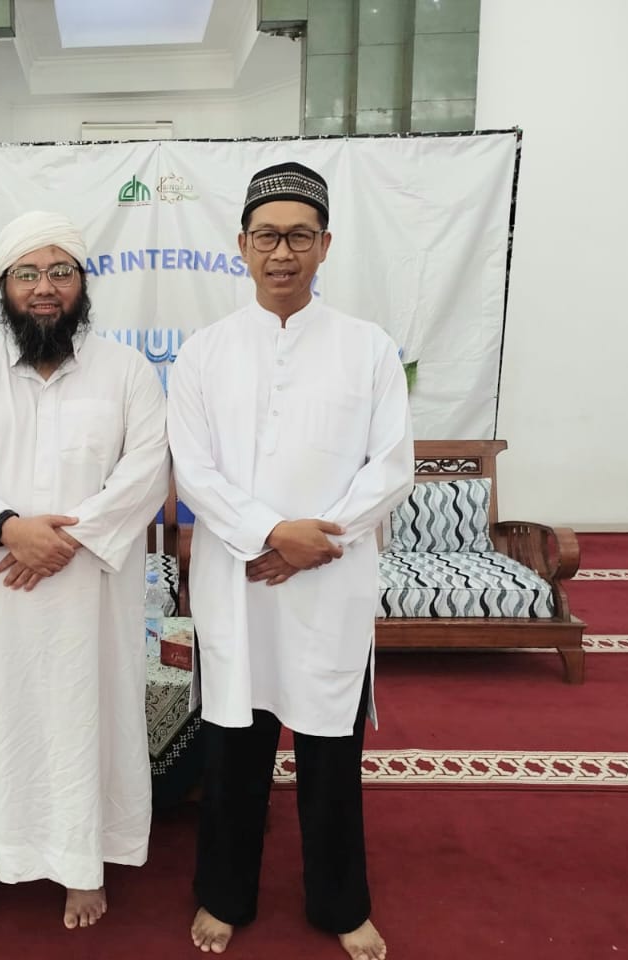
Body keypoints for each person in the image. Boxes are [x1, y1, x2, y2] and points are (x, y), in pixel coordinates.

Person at [166, 163, 414, 960]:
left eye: (299, 236)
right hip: (240, 581)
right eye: (267, 236)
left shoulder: (368, 349)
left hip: (330, 583)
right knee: (233, 749)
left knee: (331, 754)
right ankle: (223, 894)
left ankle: (341, 903)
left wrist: (315, 543)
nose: (282, 253)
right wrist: (273, 533)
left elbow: (391, 467)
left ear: (325, 245)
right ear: (241, 245)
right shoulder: (204, 353)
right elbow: (193, 469)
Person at [0, 210, 169, 929]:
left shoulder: (127, 371)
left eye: (61, 271)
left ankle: (82, 862)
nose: (45, 287)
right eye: (27, 273)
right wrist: (9, 531)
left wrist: (62, 541)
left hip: (88, 592)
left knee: (81, 718)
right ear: (4, 286)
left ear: (83, 282)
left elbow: (147, 469)